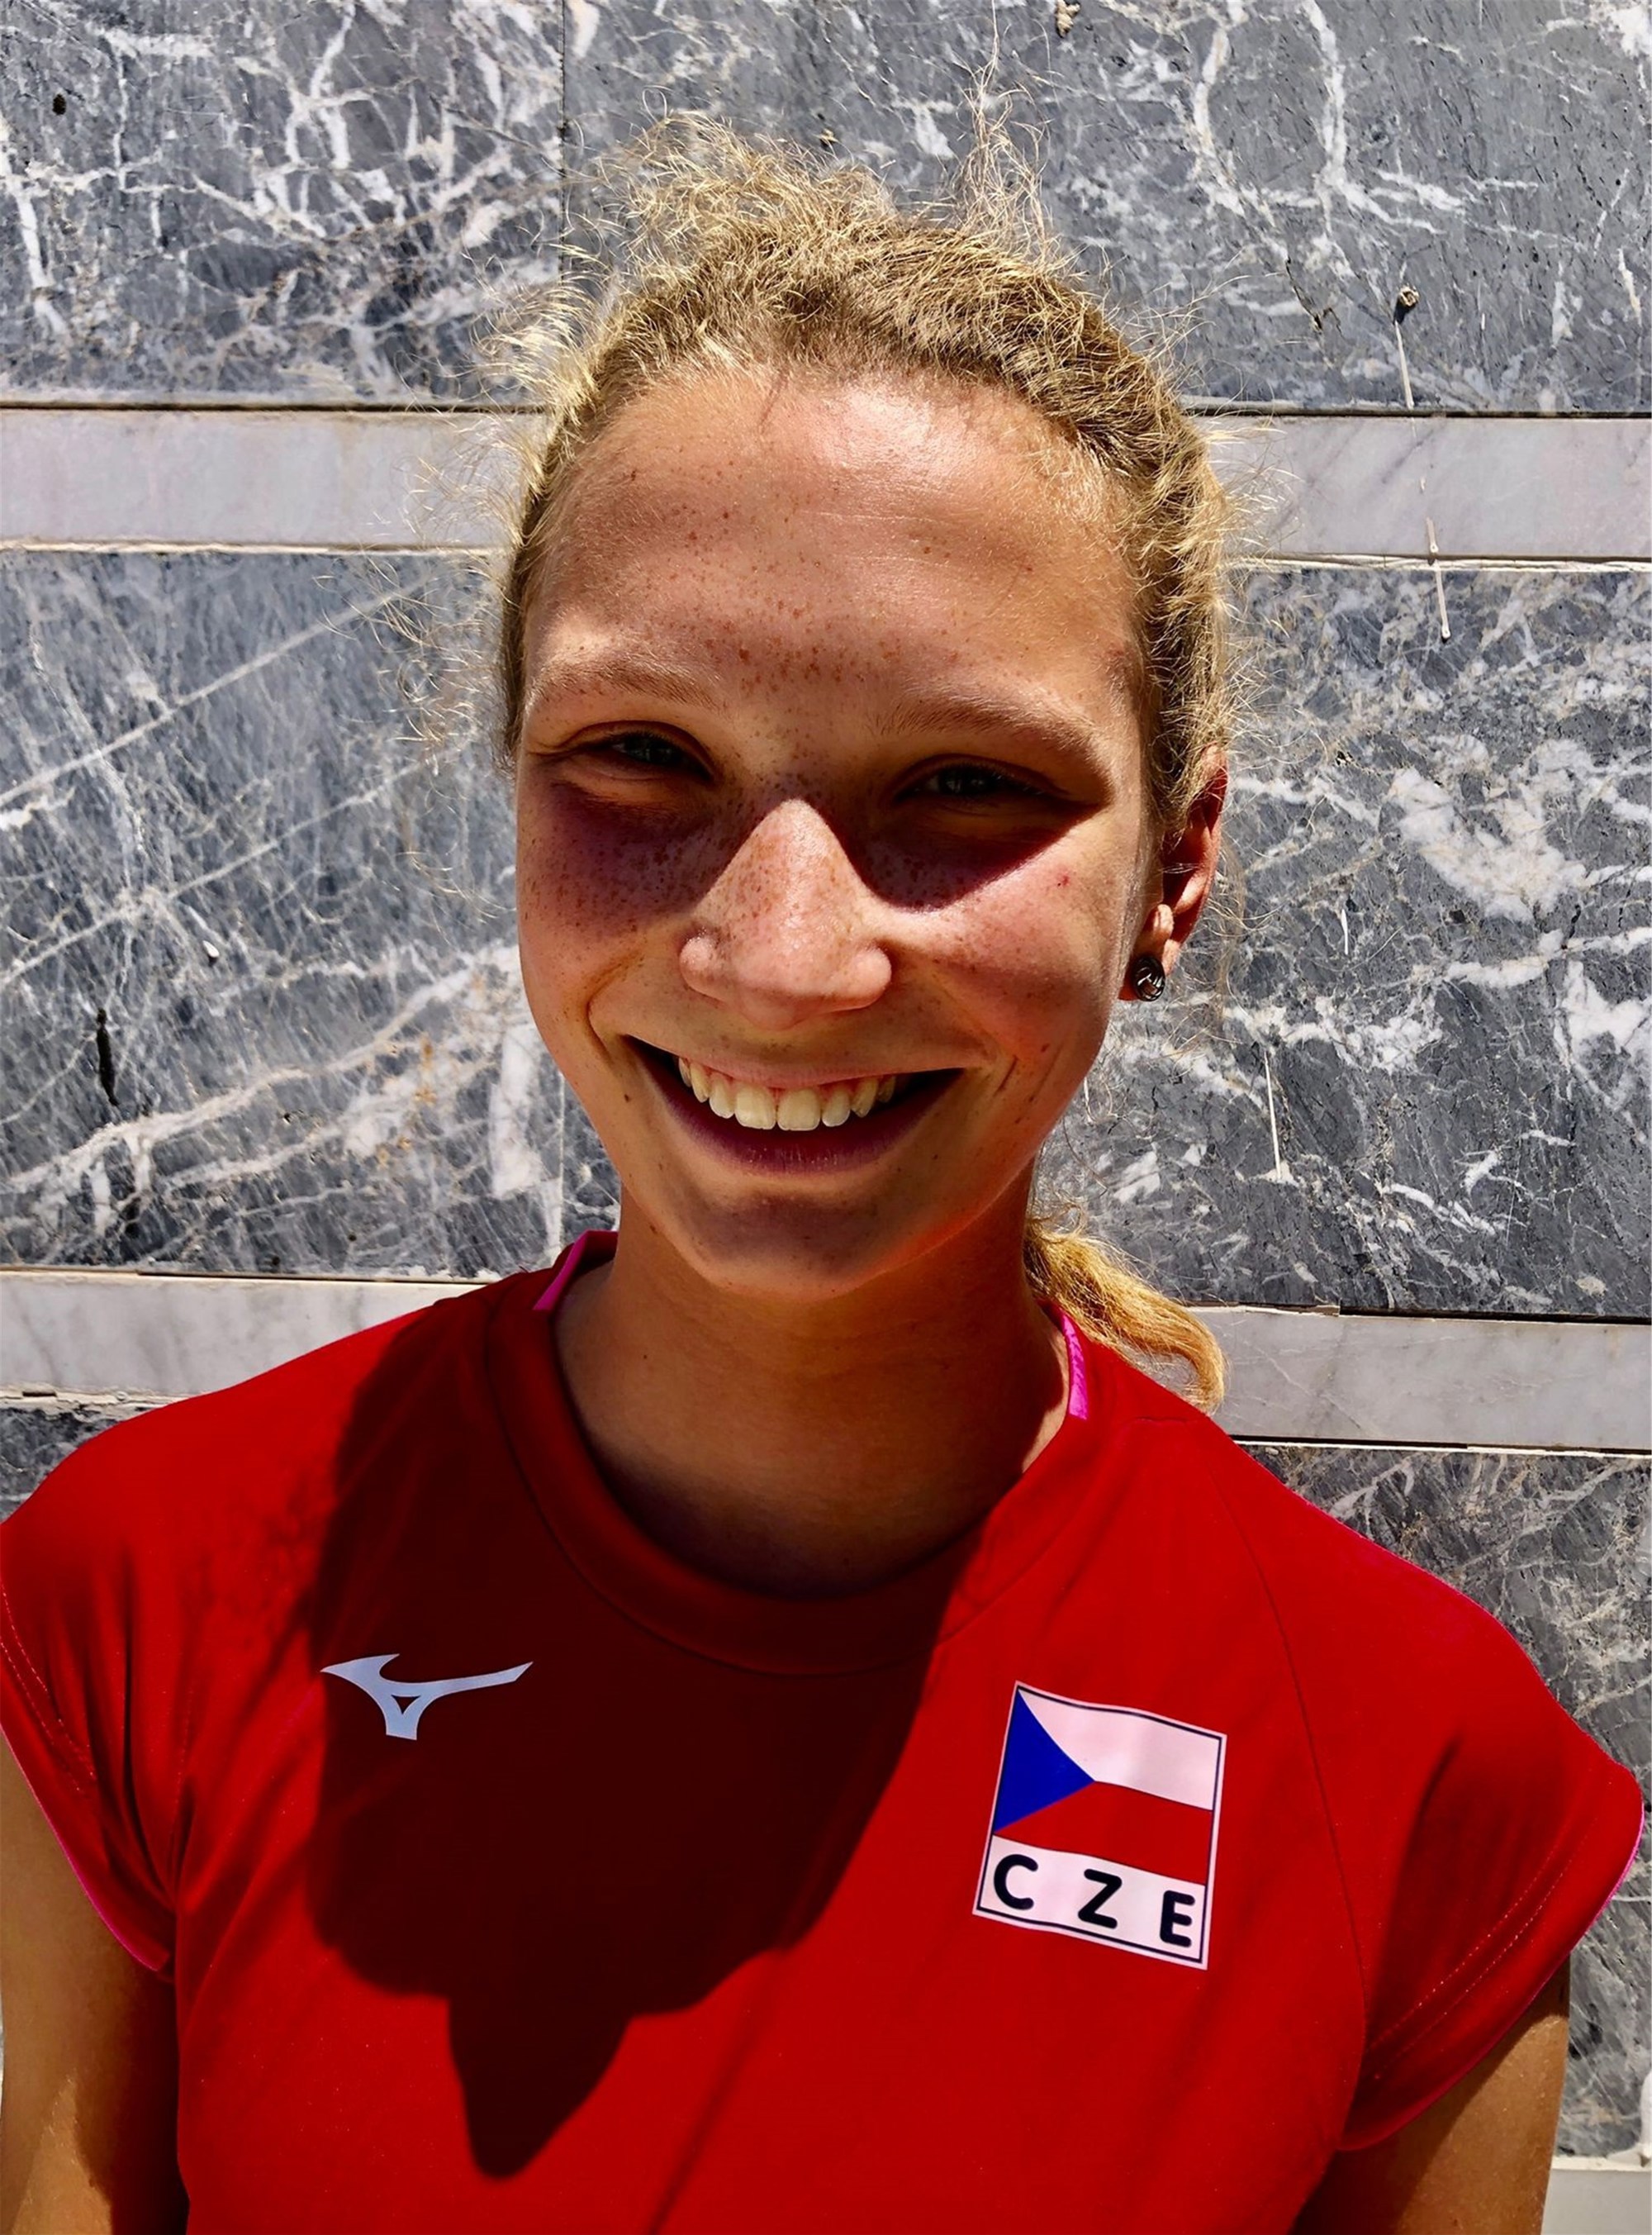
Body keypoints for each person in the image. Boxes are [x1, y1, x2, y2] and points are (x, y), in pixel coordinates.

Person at [0, 126, 1640, 2235]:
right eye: (643, 756)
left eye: (961, 783)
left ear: (1176, 866)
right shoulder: (148, 1589)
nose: (781, 959)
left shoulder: (1413, 1775)